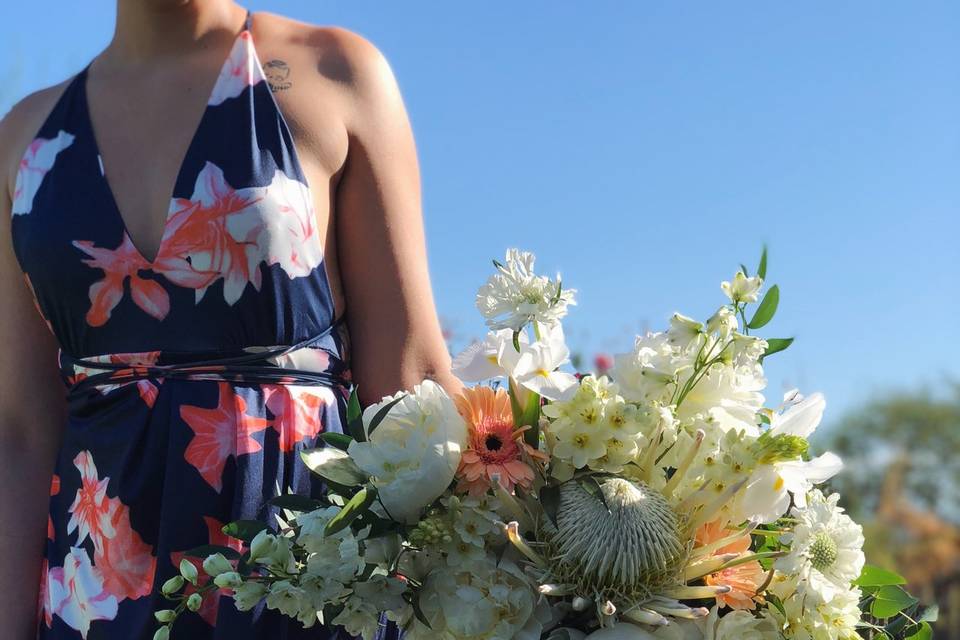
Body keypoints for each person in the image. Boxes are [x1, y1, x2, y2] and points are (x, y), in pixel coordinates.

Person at [0, 1, 461, 638]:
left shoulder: (334, 73)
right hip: (93, 594)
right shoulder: (25, 137)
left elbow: (411, 385)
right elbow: (20, 432)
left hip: (304, 582)